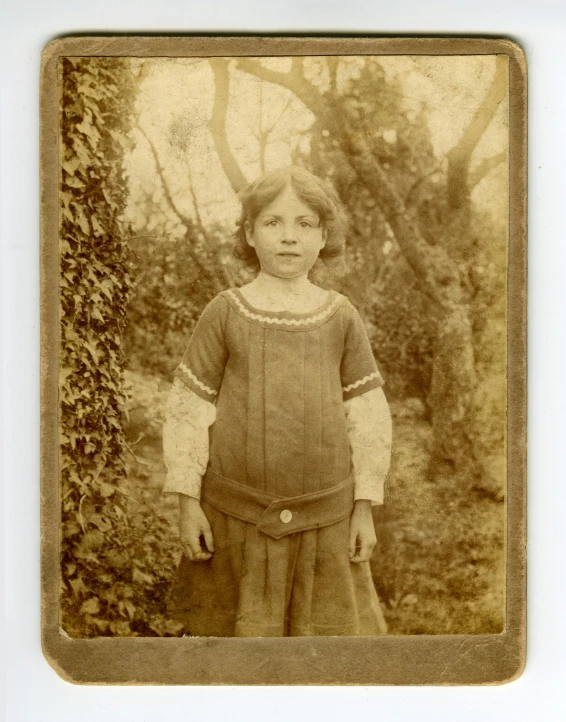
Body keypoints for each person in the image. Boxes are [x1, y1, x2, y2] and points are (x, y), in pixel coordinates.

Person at [162, 166, 392, 637]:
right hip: (236, 520)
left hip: (327, 520)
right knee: (233, 656)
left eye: (304, 224)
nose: (289, 237)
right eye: (273, 222)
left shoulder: (341, 317)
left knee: (325, 656)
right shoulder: (226, 312)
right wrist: (188, 503)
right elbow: (188, 410)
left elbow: (367, 417)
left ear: (324, 234)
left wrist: (364, 509)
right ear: (249, 232)